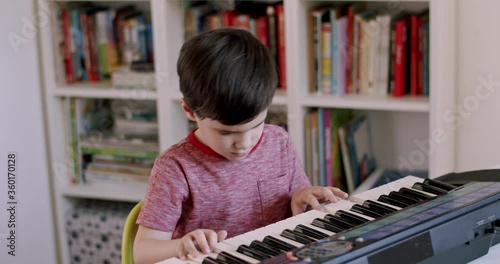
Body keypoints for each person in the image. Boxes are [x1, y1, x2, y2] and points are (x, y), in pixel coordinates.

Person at [133, 28, 348, 264]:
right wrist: (180, 246)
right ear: (189, 110)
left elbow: (296, 206)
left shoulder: (279, 142)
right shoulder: (175, 167)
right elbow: (142, 252)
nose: (244, 143)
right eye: (226, 132)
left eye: (257, 125)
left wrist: (303, 198)